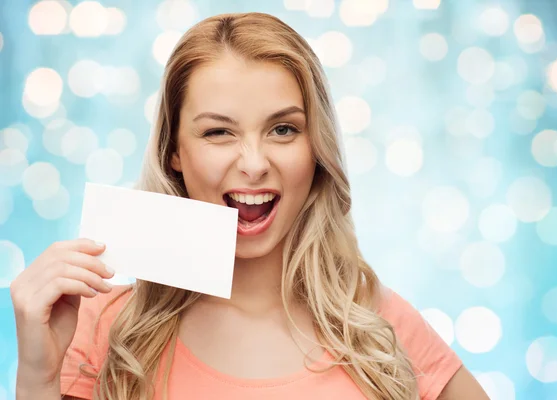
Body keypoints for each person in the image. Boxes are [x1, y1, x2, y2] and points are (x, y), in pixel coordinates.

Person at [10, 12, 489, 400]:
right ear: (174, 150)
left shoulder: (376, 326)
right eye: (219, 132)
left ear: (315, 146)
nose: (255, 164)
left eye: (283, 129)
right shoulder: (104, 329)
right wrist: (37, 377)